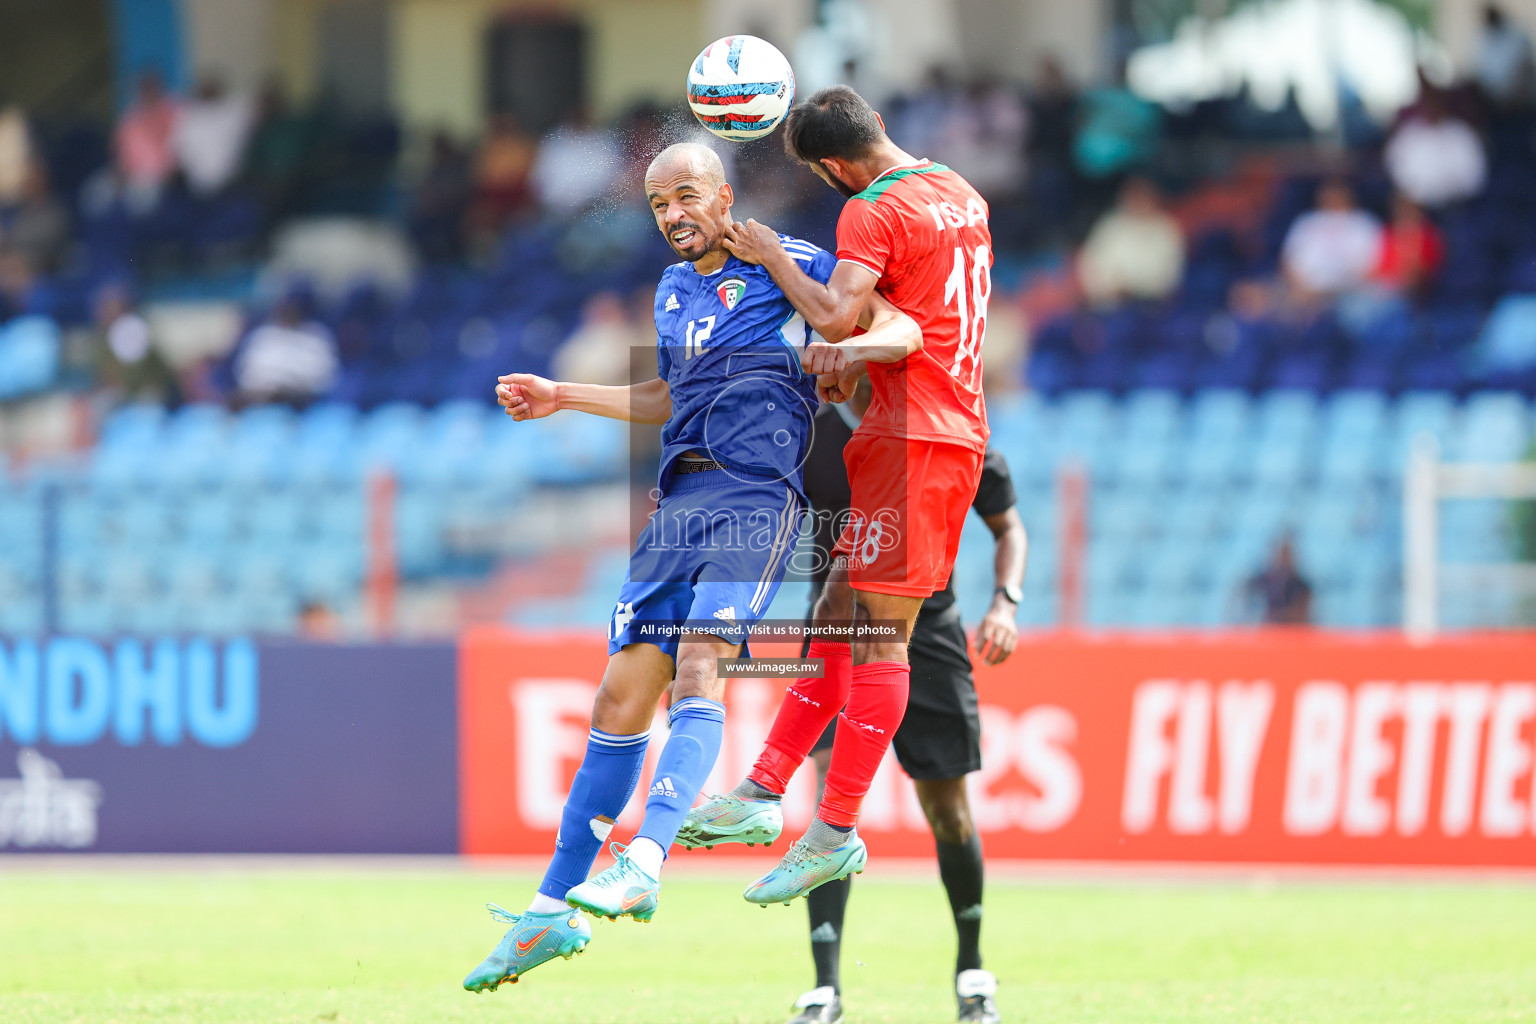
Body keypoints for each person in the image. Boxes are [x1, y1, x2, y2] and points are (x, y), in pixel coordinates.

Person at [461, 142, 923, 992]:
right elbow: (665, 397)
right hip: (679, 505)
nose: (673, 214)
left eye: (685, 196)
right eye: (657, 203)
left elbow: (900, 324)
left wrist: (849, 350)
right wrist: (566, 396)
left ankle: (645, 857)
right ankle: (547, 914)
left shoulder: (787, 259)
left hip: (757, 498)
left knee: (701, 664)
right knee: (620, 694)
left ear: (723, 195)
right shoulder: (674, 291)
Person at [680, 86, 993, 909]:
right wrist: (854, 366)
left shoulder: (870, 212)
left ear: (832, 167)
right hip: (936, 424)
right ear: (880, 127)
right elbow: (922, 320)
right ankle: (761, 791)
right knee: (836, 610)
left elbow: (837, 313)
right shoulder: (960, 193)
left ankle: (835, 831)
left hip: (914, 436)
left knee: (881, 641)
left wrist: (774, 259)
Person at [784, 378, 1025, 1024]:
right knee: (830, 798)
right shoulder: (811, 432)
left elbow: (1008, 528)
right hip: (836, 626)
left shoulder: (947, 423)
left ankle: (973, 971)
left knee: (947, 810)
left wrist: (1007, 601)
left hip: (930, 630)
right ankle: (825, 989)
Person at [1077, 176, 1184, 307]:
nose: (1138, 201)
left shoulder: (1166, 228)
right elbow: (1090, 264)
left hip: (1151, 306)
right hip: (1110, 304)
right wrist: (1108, 290)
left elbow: (1169, 275)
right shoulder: (1110, 225)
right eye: (1134, 196)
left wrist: (1136, 289)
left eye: (1142, 196)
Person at [1280, 179, 1381, 302]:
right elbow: (1288, 262)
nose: (1333, 198)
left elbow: (1373, 267)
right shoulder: (1307, 221)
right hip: (1307, 291)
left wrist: (1342, 288)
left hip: (1353, 291)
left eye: (1337, 194)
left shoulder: (1364, 222)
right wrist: (1302, 288)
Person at [231, 296, 339, 408]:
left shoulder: (316, 336)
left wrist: (286, 381)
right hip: (260, 391)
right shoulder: (262, 335)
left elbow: (324, 378)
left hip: (300, 396)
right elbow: (246, 371)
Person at [1246, 534, 1312, 624]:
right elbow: (1250, 612)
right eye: (1280, 553)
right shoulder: (1258, 583)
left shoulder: (1302, 586)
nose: (1283, 558)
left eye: (1287, 554)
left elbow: (1303, 615)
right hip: (1263, 633)